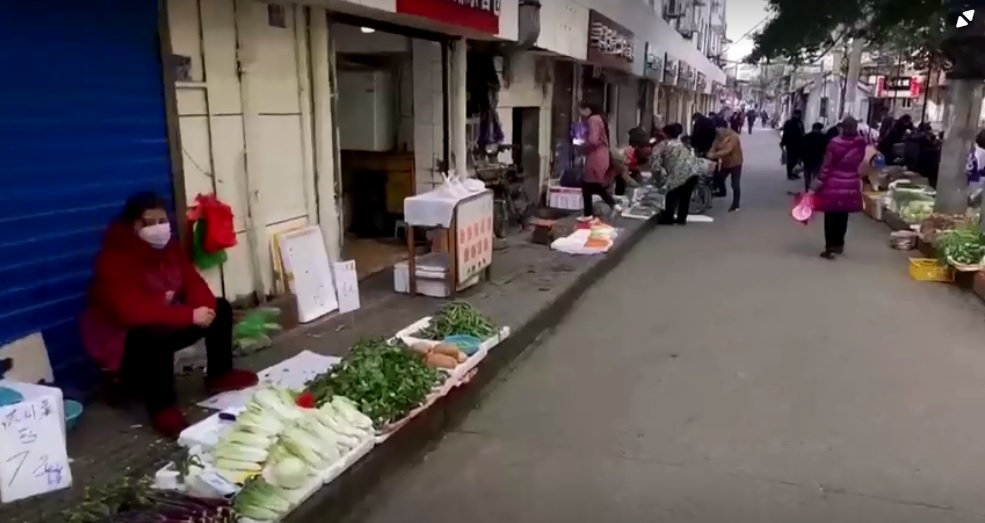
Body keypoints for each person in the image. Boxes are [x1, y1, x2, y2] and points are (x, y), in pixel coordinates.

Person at [80, 192, 259, 437]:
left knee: (221, 308)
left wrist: (203, 310)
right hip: (123, 342)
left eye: (162, 221)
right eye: (149, 223)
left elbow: (193, 283)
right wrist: (188, 316)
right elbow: (130, 313)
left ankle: (220, 374)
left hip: (162, 322)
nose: (158, 228)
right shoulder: (114, 259)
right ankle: (162, 407)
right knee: (154, 334)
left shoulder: (170, 250)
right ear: (134, 225)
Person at [811, 117, 867, 259]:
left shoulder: (834, 143)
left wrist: (817, 183)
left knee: (830, 216)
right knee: (843, 215)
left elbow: (827, 165)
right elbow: (859, 161)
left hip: (833, 183)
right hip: (850, 183)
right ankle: (839, 244)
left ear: (842, 127)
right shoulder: (860, 143)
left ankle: (829, 248)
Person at [578, 101, 620, 221]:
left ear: (588, 109)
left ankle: (591, 213)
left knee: (589, 183)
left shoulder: (593, 120)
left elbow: (593, 140)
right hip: (601, 155)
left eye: (581, 110)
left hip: (596, 156)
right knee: (590, 184)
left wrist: (582, 145)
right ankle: (590, 212)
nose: (580, 113)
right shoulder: (601, 118)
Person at [653, 123, 701, 225]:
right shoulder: (682, 143)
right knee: (685, 197)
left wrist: (656, 178)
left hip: (679, 173)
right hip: (693, 171)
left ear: (666, 134)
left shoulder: (662, 145)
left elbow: (656, 164)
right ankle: (681, 219)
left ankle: (668, 218)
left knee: (671, 194)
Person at [707, 119, 744, 212]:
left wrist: (714, 155)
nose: (717, 131)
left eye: (718, 129)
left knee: (735, 184)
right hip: (725, 163)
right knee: (719, 178)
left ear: (724, 128)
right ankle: (722, 192)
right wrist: (710, 152)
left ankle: (736, 204)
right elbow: (714, 146)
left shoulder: (733, 136)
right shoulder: (718, 136)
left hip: (736, 162)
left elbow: (728, 150)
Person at [800, 123, 829, 193]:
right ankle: (814, 190)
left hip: (807, 158)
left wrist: (800, 158)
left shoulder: (806, 136)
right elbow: (826, 148)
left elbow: (801, 147)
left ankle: (807, 188)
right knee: (816, 174)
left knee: (807, 174)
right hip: (818, 158)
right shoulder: (824, 137)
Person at [781, 110, 805, 180]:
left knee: (796, 159)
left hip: (798, 143)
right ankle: (789, 174)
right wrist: (783, 143)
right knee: (790, 159)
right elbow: (785, 134)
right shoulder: (789, 123)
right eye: (798, 114)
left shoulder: (800, 123)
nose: (799, 116)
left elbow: (802, 133)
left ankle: (794, 173)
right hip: (790, 144)